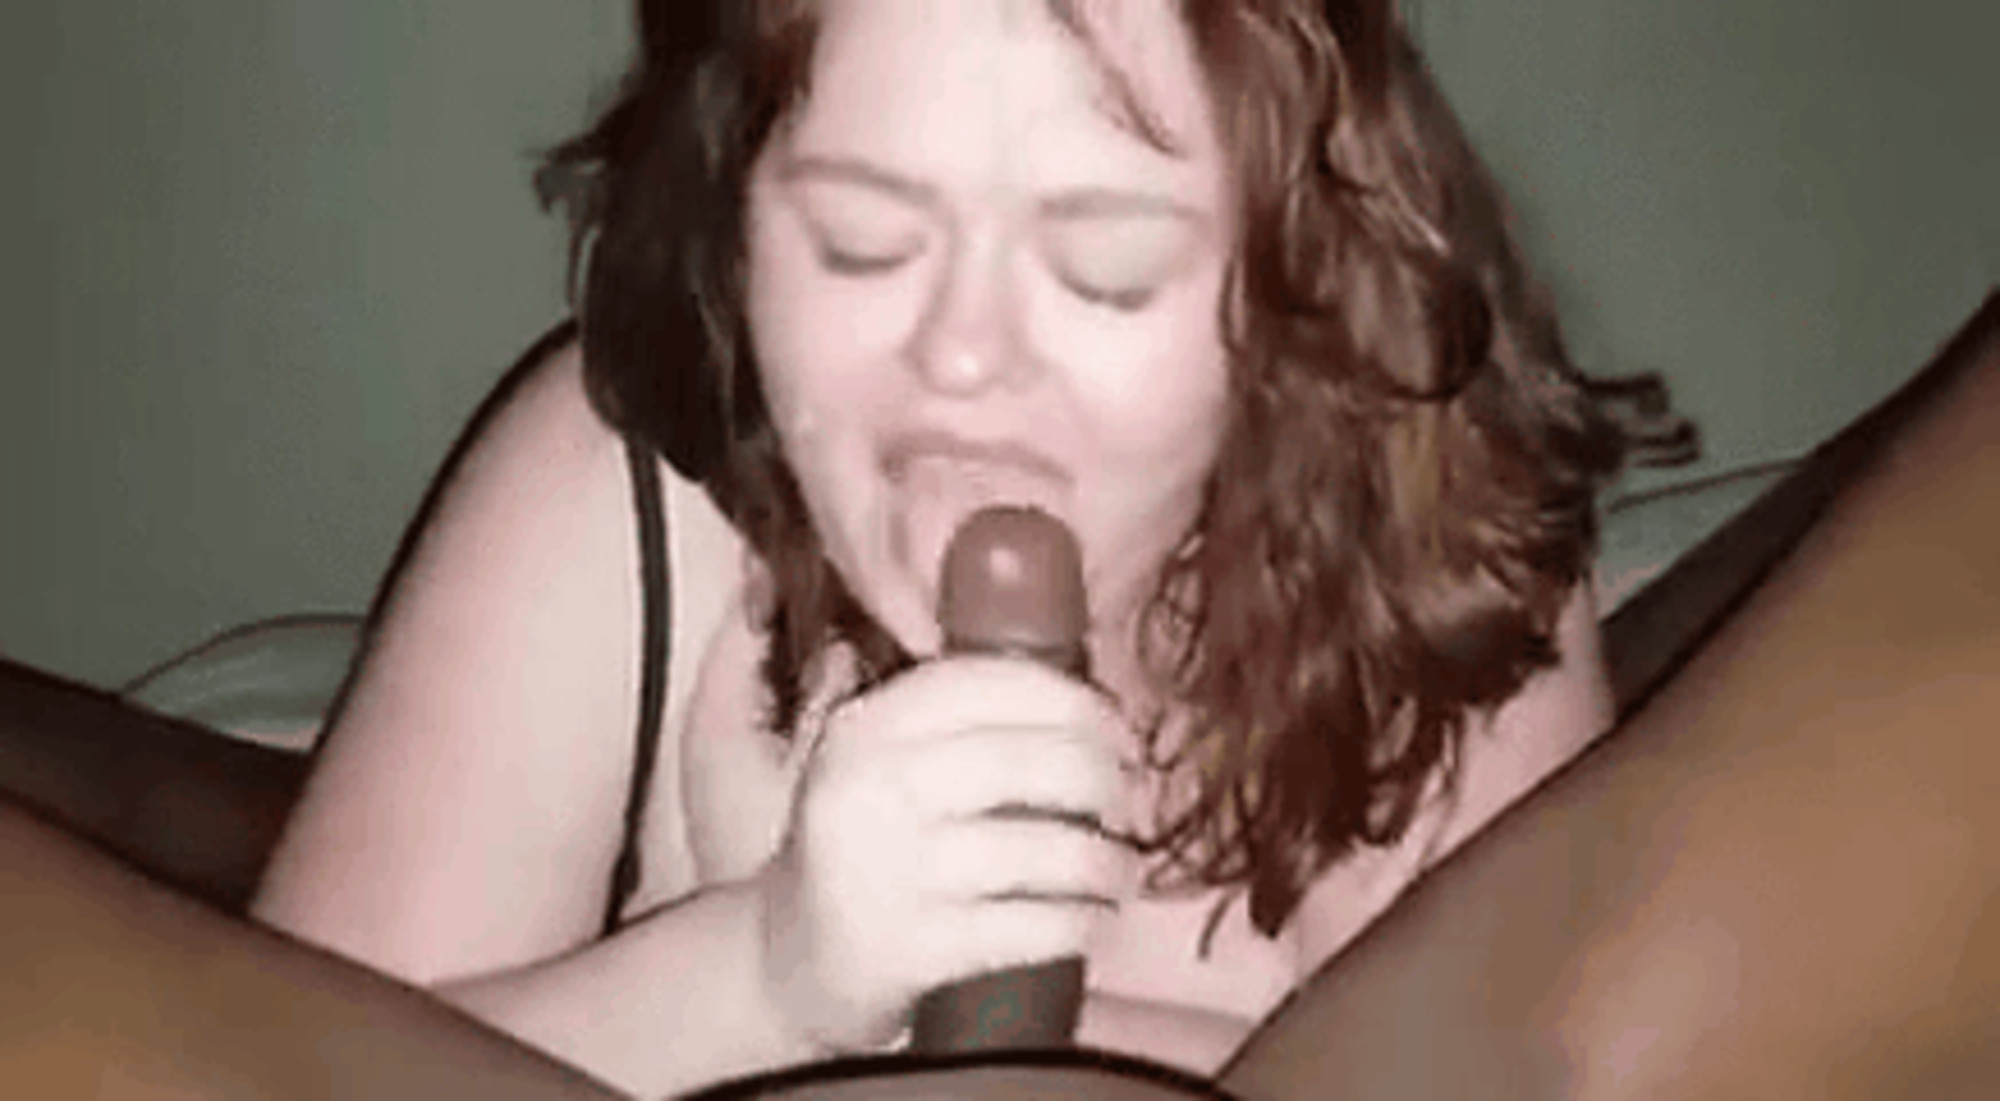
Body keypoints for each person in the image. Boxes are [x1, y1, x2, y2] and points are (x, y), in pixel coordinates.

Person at [250, 1, 1641, 1096]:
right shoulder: (614, 494)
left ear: (1305, 280)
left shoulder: (1450, 584)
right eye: (860, 241)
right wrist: (761, 977)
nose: (964, 357)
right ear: (736, 216)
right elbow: (243, 1065)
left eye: (1107, 266)